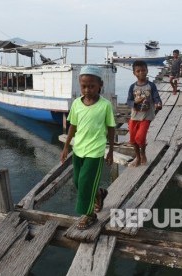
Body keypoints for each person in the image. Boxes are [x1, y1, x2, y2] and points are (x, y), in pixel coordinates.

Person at [60, 65, 116, 230]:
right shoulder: (77, 103)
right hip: (79, 149)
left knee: (85, 183)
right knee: (77, 181)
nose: (87, 89)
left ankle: (89, 215)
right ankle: (99, 193)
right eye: (84, 86)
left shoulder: (105, 105)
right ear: (79, 85)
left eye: (91, 86)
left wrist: (111, 151)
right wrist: (65, 147)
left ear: (100, 85)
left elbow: (111, 128)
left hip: (95, 151)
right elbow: (73, 126)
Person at [126, 60, 162, 167]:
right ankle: (138, 157)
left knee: (140, 138)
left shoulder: (151, 86)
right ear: (134, 73)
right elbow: (128, 101)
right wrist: (134, 102)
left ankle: (143, 153)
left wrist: (158, 103)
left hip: (146, 116)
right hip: (134, 116)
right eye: (138, 71)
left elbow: (156, 97)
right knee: (133, 139)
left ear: (147, 71)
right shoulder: (132, 87)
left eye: (143, 70)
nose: (141, 72)